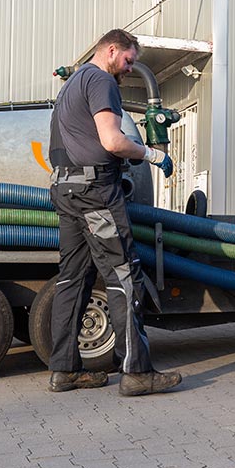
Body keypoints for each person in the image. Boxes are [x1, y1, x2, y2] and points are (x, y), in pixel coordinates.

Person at [47, 29, 181, 396]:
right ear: (111, 50)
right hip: (95, 194)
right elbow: (112, 140)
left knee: (72, 280)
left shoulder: (71, 85)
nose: (130, 67)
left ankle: (64, 370)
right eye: (129, 60)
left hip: (66, 189)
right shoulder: (101, 80)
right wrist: (153, 155)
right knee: (124, 277)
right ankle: (137, 372)